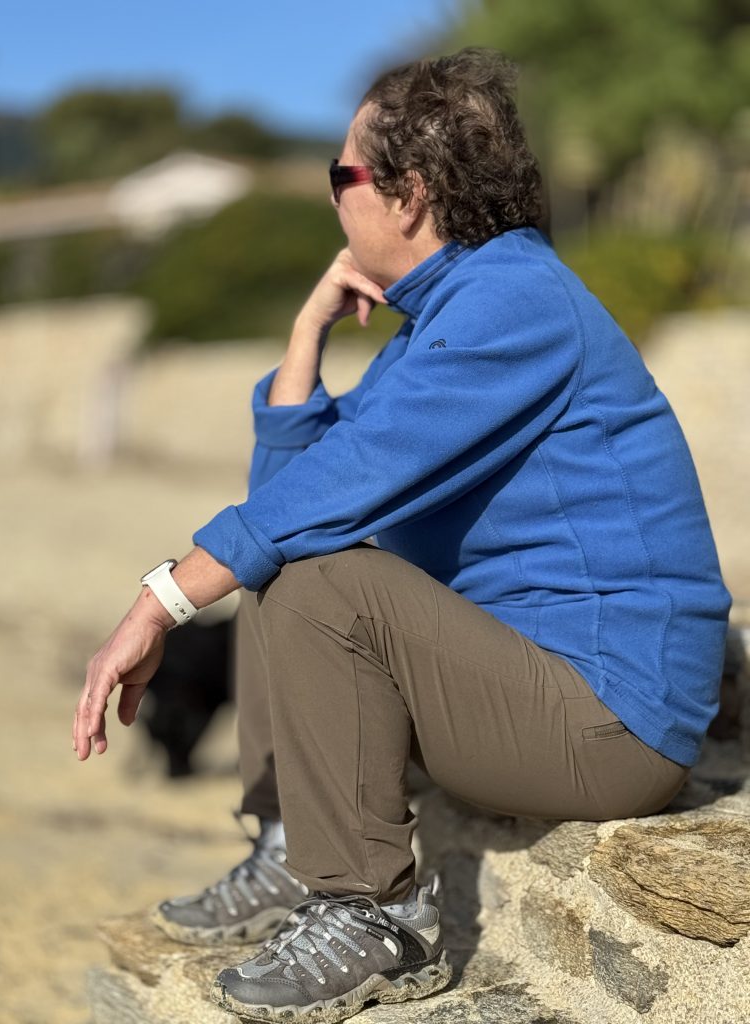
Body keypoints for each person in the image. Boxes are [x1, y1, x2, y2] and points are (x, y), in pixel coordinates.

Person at [73, 48, 731, 1023]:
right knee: (289, 555)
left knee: (315, 573)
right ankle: (292, 845)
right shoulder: (445, 320)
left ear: (408, 194)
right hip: (526, 681)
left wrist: (160, 599)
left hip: (611, 718)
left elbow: (313, 507)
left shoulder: (515, 305)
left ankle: (376, 915)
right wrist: (306, 339)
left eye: (340, 176)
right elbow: (294, 500)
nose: (332, 196)